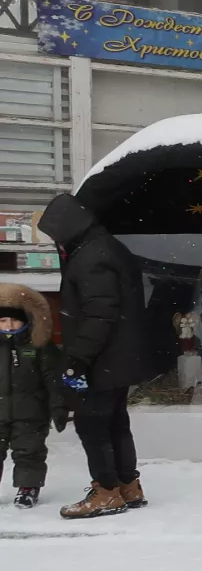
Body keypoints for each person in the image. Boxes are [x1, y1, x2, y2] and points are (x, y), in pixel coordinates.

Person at [39, 193, 157, 520]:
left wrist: (77, 360)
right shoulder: (108, 248)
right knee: (116, 422)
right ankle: (128, 485)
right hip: (117, 357)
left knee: (92, 425)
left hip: (102, 358)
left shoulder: (92, 257)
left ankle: (106, 491)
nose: (55, 241)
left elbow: (99, 315)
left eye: (55, 234)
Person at [0, 284, 68, 508]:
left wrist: (58, 407)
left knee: (29, 452)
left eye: (14, 320)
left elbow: (53, 379)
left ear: (27, 320)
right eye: (3, 321)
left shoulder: (38, 346)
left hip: (31, 412)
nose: (9, 325)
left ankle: (28, 488)